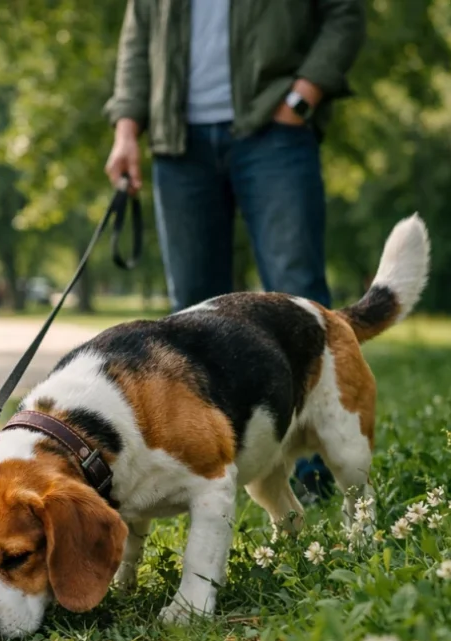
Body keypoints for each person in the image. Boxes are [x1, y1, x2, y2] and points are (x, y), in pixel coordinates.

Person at [103, 0, 366, 500]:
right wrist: (126, 130)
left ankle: (317, 470)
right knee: (188, 319)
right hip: (178, 143)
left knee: (299, 293)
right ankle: (208, 469)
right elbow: (138, 39)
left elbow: (344, 14)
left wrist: (304, 96)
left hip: (273, 128)